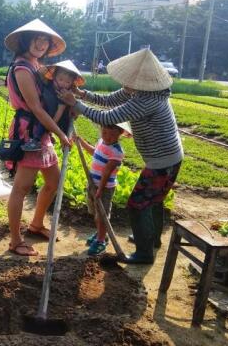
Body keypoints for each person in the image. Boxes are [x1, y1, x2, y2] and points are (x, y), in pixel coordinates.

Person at [59, 48, 183, 264]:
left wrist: (76, 104)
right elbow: (107, 101)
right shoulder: (136, 91)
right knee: (154, 201)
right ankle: (151, 240)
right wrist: (82, 95)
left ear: (142, 81)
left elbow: (107, 116)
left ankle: (144, 254)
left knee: (138, 205)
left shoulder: (147, 100)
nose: (126, 82)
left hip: (163, 162)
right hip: (165, 158)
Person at [3, 19, 71, 257]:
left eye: (45, 41)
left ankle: (36, 224)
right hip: (30, 133)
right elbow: (36, 107)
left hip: (42, 133)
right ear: (26, 40)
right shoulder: (22, 68)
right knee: (21, 188)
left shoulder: (36, 66)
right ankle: (15, 240)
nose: (41, 44)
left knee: (53, 182)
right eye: (37, 39)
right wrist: (61, 133)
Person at [77, 122, 131, 256]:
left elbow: (107, 172)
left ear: (120, 134)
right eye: (105, 132)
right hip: (93, 184)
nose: (107, 137)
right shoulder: (101, 142)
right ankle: (101, 233)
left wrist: (100, 190)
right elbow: (94, 152)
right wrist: (81, 142)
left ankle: (101, 241)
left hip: (104, 188)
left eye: (112, 134)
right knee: (96, 213)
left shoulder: (117, 152)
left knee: (102, 215)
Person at [22, 60, 84, 152]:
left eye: (67, 82)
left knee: (65, 133)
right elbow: (40, 74)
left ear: (71, 84)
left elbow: (60, 111)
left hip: (61, 118)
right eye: (60, 79)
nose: (63, 83)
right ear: (54, 77)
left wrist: (51, 127)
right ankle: (36, 141)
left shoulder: (64, 95)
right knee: (41, 123)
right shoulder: (49, 84)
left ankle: (64, 146)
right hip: (47, 113)